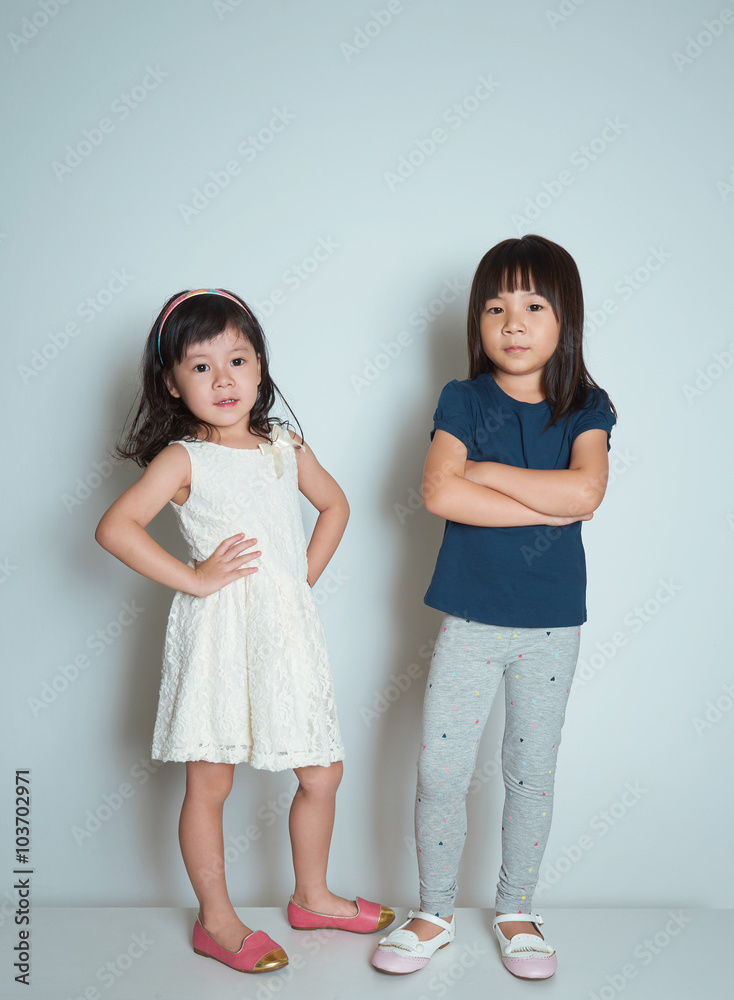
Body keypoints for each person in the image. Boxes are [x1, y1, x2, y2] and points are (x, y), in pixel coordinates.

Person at [95, 288, 394, 975]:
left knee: (323, 771)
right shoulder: (183, 459)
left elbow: (336, 505)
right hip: (219, 640)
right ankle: (217, 920)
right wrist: (196, 578)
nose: (223, 379)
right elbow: (115, 528)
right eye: (201, 367)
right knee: (212, 781)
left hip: (285, 636)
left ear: (261, 368)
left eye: (237, 359)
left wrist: (299, 580)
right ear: (171, 381)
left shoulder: (284, 444)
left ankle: (313, 896)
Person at [372, 235, 617, 980]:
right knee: (443, 770)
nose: (513, 322)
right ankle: (434, 911)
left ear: (564, 319)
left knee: (529, 770)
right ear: (478, 323)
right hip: (471, 621)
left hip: (551, 627)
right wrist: (541, 504)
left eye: (534, 305)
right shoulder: (463, 398)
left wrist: (488, 474)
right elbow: (441, 493)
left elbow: (586, 495)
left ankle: (517, 910)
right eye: (496, 306)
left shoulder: (588, 405)